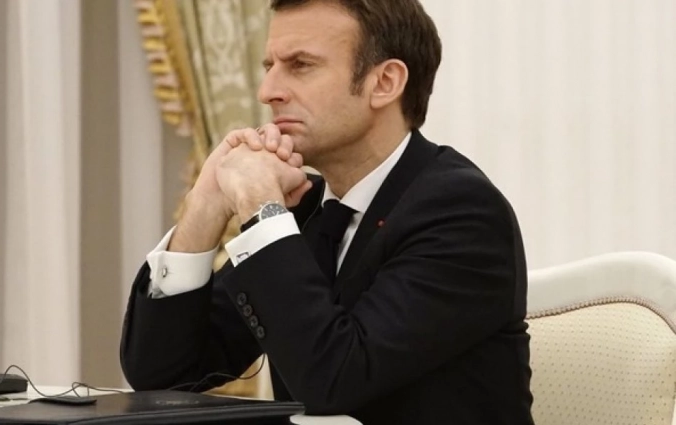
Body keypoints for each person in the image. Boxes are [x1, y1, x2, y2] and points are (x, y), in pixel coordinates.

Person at [120, 0, 534, 424]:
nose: (268, 91)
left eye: (300, 65)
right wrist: (205, 207)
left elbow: (331, 382)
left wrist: (261, 207)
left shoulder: (462, 212)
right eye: (269, 67)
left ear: (384, 82)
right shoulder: (305, 207)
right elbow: (162, 376)